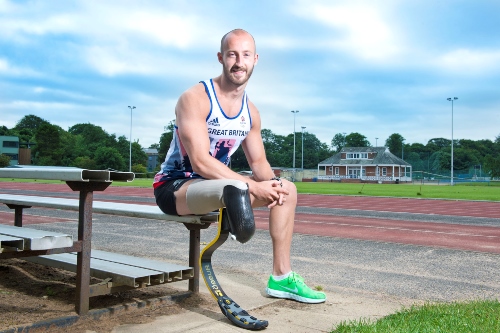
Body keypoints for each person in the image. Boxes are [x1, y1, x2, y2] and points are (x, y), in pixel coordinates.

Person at [153, 28, 326, 304]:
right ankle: (238, 216)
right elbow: (200, 160)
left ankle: (281, 278)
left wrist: (273, 187)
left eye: (245, 55)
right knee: (235, 187)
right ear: (221, 57)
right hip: (176, 187)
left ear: (255, 59)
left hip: (224, 187)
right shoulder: (195, 98)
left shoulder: (250, 112)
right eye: (232, 54)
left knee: (288, 190)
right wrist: (252, 186)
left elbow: (258, 163)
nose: (238, 61)